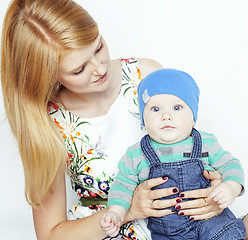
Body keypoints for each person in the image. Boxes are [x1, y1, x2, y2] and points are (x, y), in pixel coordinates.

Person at [1, 0, 246, 239]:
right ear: (47, 75)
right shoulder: (46, 124)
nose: (99, 68)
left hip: (189, 223)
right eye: (79, 69)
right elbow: (51, 234)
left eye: (98, 47)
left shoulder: (146, 76)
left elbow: (192, 148)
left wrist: (215, 191)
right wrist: (129, 209)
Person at [100, 68, 246, 239]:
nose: (166, 116)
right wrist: (117, 212)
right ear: (143, 119)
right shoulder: (136, 154)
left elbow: (231, 165)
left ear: (193, 116)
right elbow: (122, 186)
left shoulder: (206, 143)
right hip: (168, 233)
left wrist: (231, 186)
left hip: (211, 222)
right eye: (155, 109)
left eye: (177, 107)